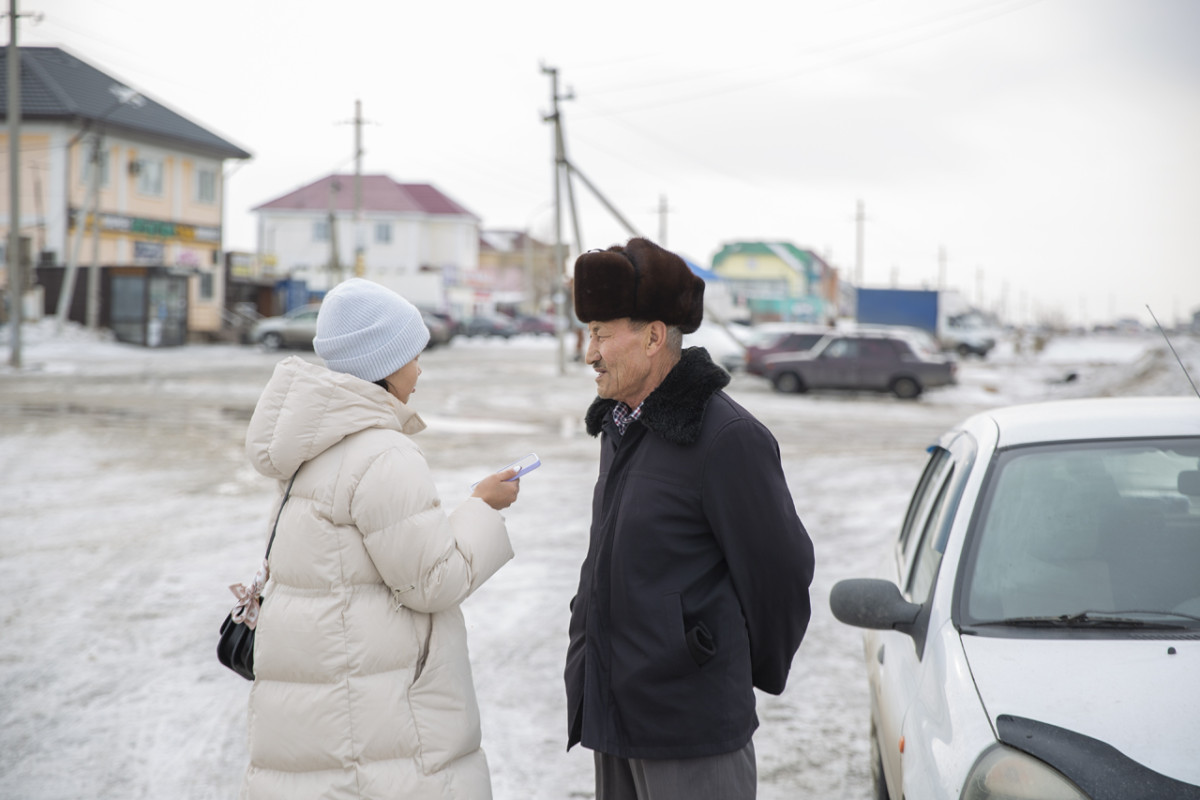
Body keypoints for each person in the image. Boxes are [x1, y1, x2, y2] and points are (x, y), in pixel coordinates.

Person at [240, 278, 520, 799]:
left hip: (324, 709)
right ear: (385, 364)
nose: (420, 369)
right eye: (413, 355)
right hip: (376, 724)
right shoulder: (382, 453)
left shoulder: (315, 444)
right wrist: (482, 507)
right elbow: (432, 582)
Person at [564, 238, 816, 800]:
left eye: (602, 333)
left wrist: (708, 663)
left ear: (654, 337)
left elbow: (780, 574)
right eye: (589, 334)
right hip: (614, 717)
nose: (589, 352)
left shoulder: (727, 438)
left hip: (690, 733)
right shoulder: (621, 428)